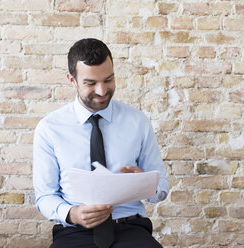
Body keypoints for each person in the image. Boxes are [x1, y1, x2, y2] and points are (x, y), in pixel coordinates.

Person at [33, 38, 169, 248]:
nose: (102, 90)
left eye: (108, 80)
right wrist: (73, 214)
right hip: (74, 231)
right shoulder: (50, 129)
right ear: (72, 80)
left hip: (130, 228)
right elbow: (45, 196)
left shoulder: (137, 122)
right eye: (90, 83)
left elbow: (161, 186)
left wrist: (145, 184)